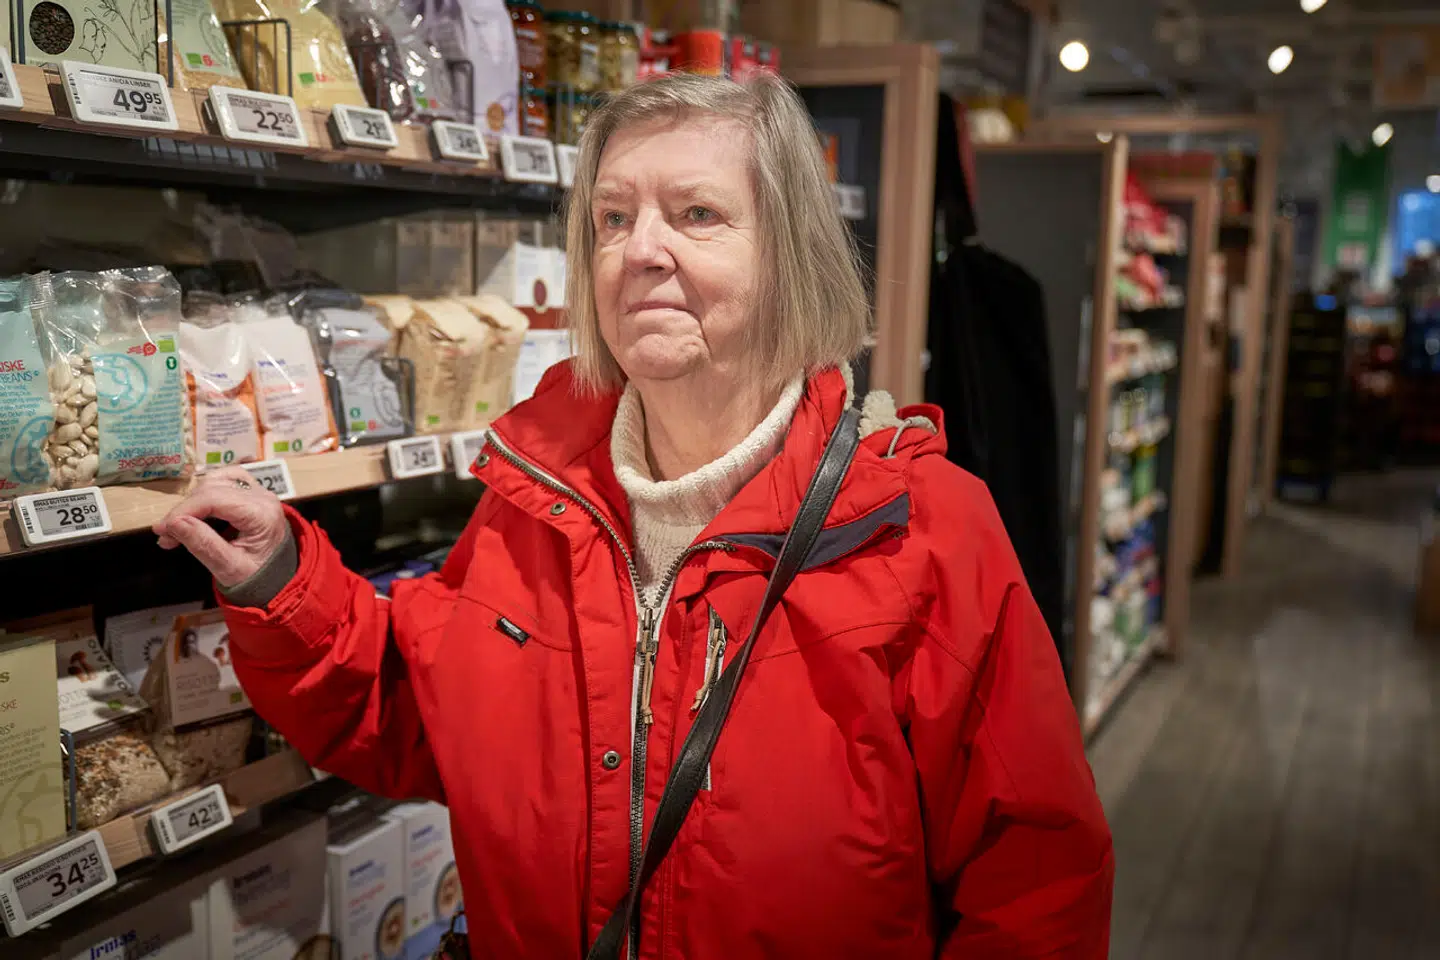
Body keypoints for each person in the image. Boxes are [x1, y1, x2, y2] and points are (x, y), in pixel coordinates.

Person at [155, 72, 1113, 958]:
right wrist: (284, 580)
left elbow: (1035, 877)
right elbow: (414, 711)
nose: (642, 249)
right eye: (613, 219)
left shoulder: (921, 526)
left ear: (789, 257)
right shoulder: (534, 501)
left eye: (696, 214)